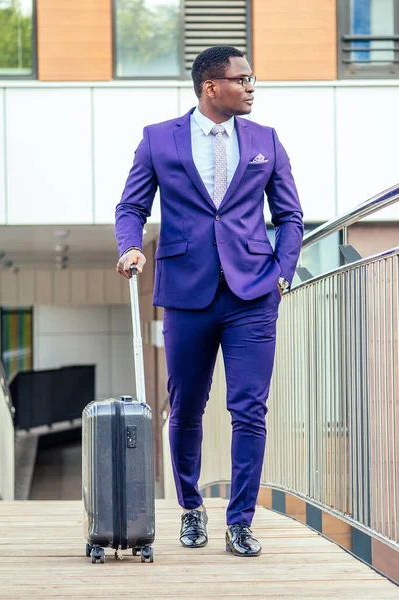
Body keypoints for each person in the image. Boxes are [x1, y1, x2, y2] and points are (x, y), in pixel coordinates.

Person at [115, 46, 303, 557]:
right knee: (187, 409)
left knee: (249, 410)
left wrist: (281, 274)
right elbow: (131, 205)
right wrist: (130, 246)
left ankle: (240, 521)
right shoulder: (159, 139)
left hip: (252, 295)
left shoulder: (266, 140)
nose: (251, 87)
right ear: (210, 87)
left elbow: (290, 216)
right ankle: (192, 508)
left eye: (251, 78)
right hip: (185, 294)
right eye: (243, 79)